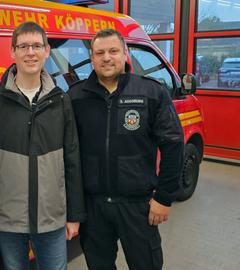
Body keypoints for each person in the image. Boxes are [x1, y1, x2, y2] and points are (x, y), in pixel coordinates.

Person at [0, 21, 86, 270]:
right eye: (23, 46)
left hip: (51, 217)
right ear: (12, 52)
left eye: (36, 46)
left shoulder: (61, 100)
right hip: (7, 218)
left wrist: (74, 215)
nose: (30, 52)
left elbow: (73, 160)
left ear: (46, 51)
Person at [68, 29, 184, 270]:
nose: (106, 58)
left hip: (138, 207)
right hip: (94, 207)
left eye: (113, 51)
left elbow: (173, 144)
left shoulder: (151, 92)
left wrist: (164, 198)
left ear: (125, 53)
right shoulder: (76, 97)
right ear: (92, 58)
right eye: (99, 52)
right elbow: (67, 153)